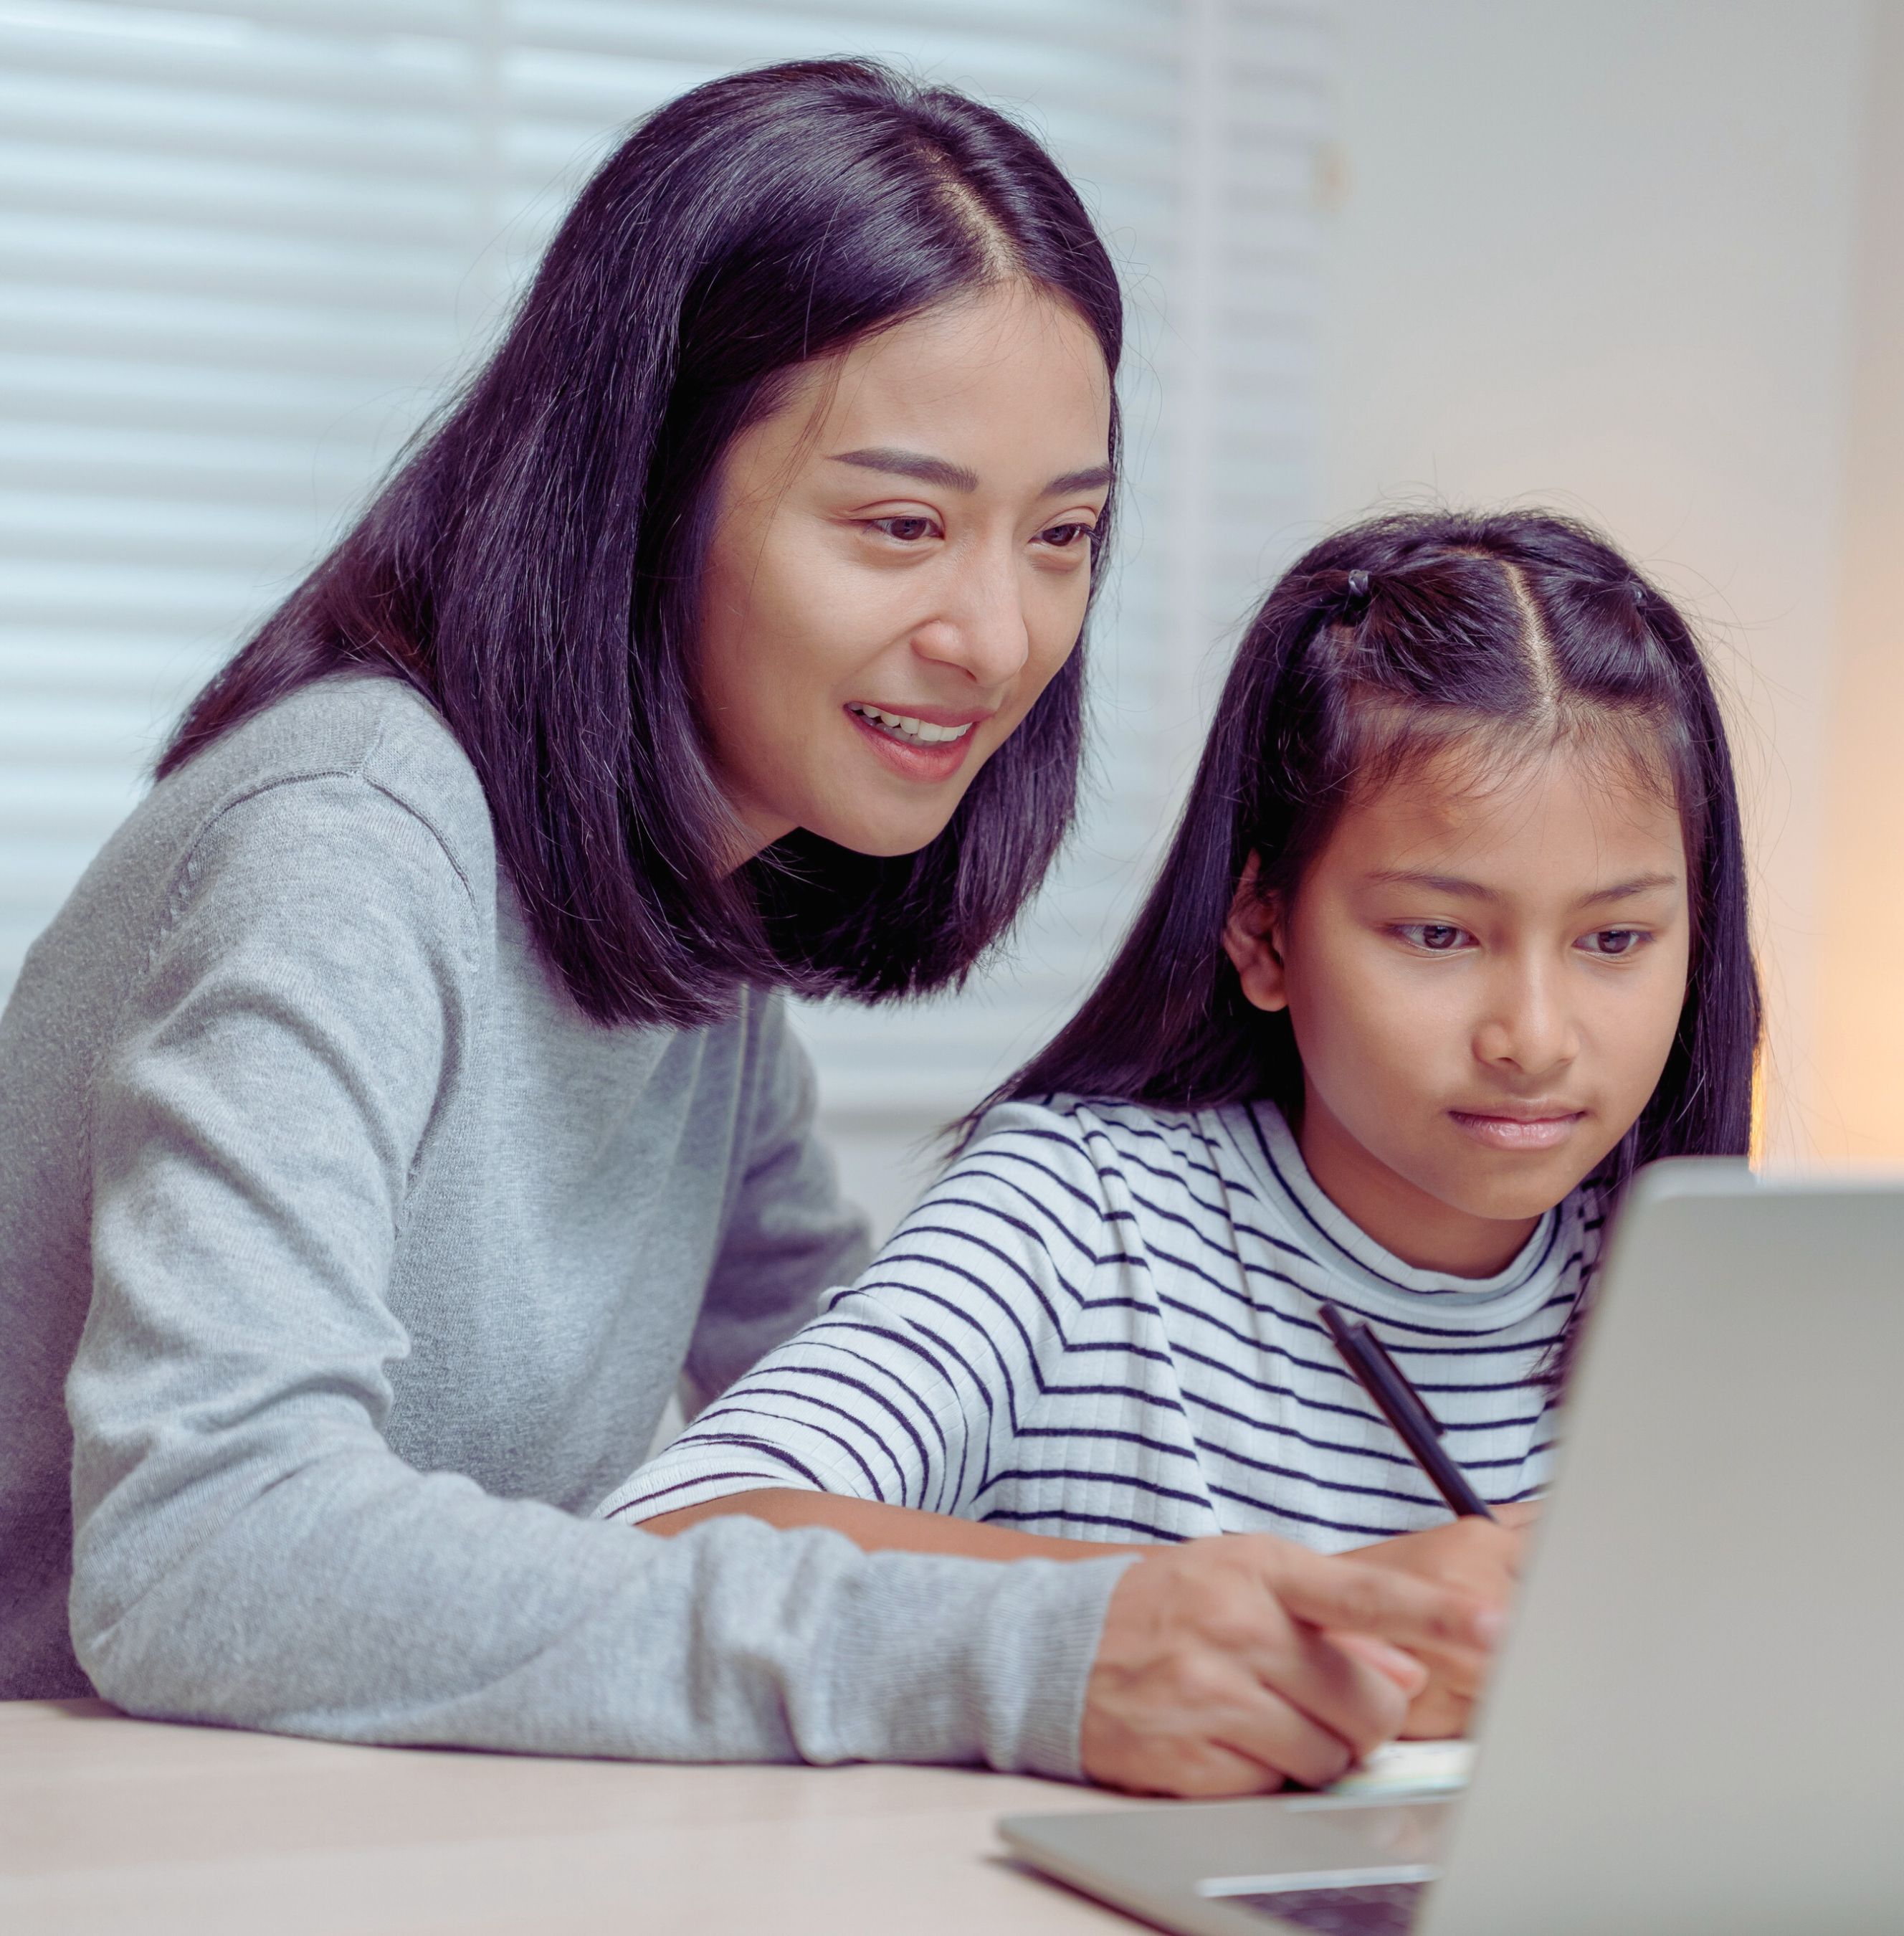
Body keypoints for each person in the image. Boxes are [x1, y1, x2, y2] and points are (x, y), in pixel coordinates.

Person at [0, 61, 1493, 1795]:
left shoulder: (683, 914)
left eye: (1064, 535)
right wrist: (1027, 1657)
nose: (1000, 637)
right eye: (903, 525)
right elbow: (209, 1553)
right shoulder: (345, 844)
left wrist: (1325, 1612)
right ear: (647, 492)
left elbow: (866, 1435)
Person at [603, 506, 1763, 1757]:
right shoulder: (1078, 1216)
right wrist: (1285, 1633)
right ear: (1264, 931)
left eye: (1614, 941)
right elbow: (659, 1552)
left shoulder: (1710, 1290)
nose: (1534, 1035)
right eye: (1438, 934)